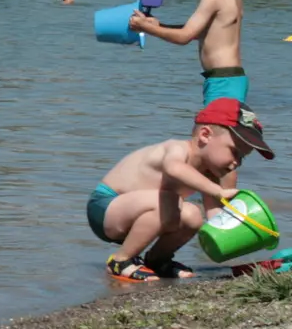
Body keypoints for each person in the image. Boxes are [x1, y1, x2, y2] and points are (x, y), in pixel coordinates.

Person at [87, 99, 271, 282]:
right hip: (106, 207)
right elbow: (173, 168)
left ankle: (157, 260)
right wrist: (218, 191)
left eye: (243, 158)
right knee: (169, 201)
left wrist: (242, 230)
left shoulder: (210, 174)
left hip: (146, 213)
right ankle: (120, 261)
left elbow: (215, 217)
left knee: (193, 216)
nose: (237, 162)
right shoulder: (177, 149)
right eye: (234, 151)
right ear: (205, 134)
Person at [128, 0, 247, 194]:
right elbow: (196, 30)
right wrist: (160, 24)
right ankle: (216, 203)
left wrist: (147, 28)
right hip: (227, 79)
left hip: (223, 82)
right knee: (215, 148)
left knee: (213, 150)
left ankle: (224, 205)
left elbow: (184, 37)